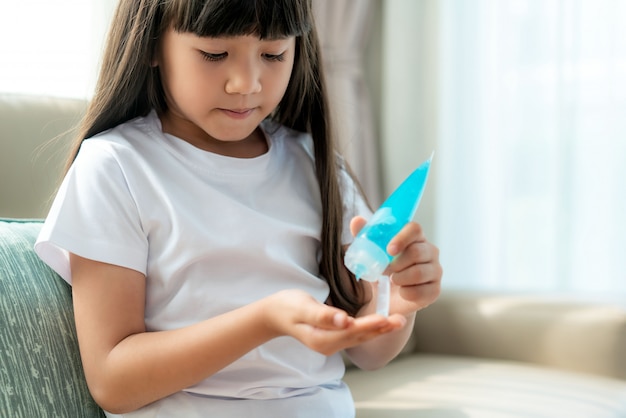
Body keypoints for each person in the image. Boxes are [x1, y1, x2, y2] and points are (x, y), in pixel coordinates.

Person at [35, 0, 442, 417]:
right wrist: (265, 320)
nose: (246, 83)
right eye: (214, 54)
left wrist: (399, 301)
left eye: (273, 54)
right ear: (152, 44)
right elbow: (113, 380)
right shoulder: (116, 167)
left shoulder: (315, 166)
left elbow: (371, 353)